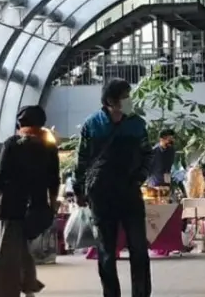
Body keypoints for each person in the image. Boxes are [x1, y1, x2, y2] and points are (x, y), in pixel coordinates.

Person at [74, 78, 153, 297]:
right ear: (111, 100)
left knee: (138, 249)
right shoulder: (92, 124)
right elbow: (82, 159)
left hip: (130, 192)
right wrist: (79, 189)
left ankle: (141, 293)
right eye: (125, 96)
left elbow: (148, 154)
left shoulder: (137, 123)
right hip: (101, 194)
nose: (130, 100)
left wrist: (139, 178)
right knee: (106, 251)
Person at [0, 105, 59, 297]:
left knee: (8, 254)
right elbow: (54, 178)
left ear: (19, 124)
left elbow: (1, 174)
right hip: (37, 206)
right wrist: (53, 203)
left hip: (12, 204)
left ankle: (7, 292)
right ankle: (29, 284)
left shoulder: (12, 143)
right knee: (22, 246)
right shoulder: (49, 147)